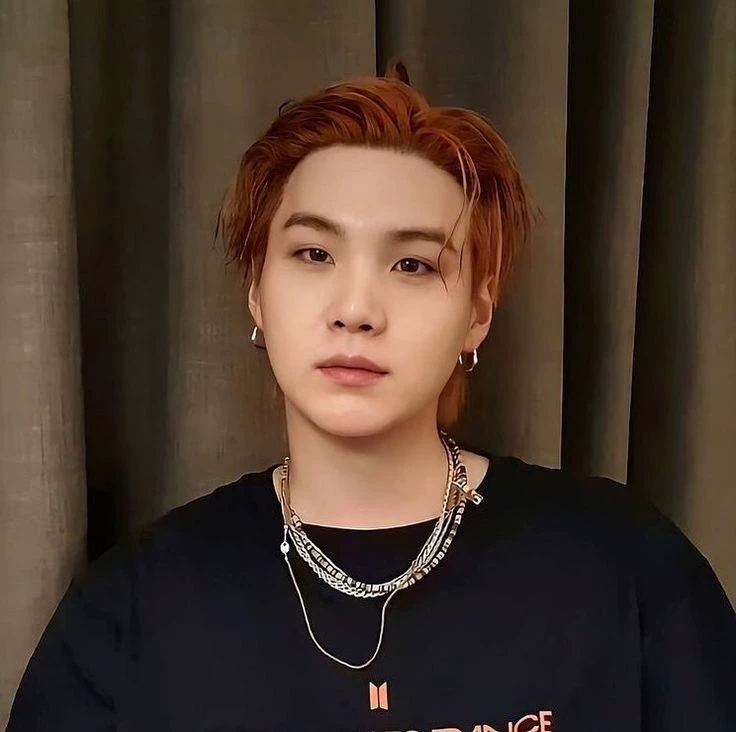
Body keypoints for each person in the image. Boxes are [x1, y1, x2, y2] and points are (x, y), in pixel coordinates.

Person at [6, 59, 735, 732]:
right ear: (257, 292)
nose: (356, 309)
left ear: (477, 314)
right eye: (313, 253)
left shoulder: (627, 569)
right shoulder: (134, 608)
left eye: (413, 264)